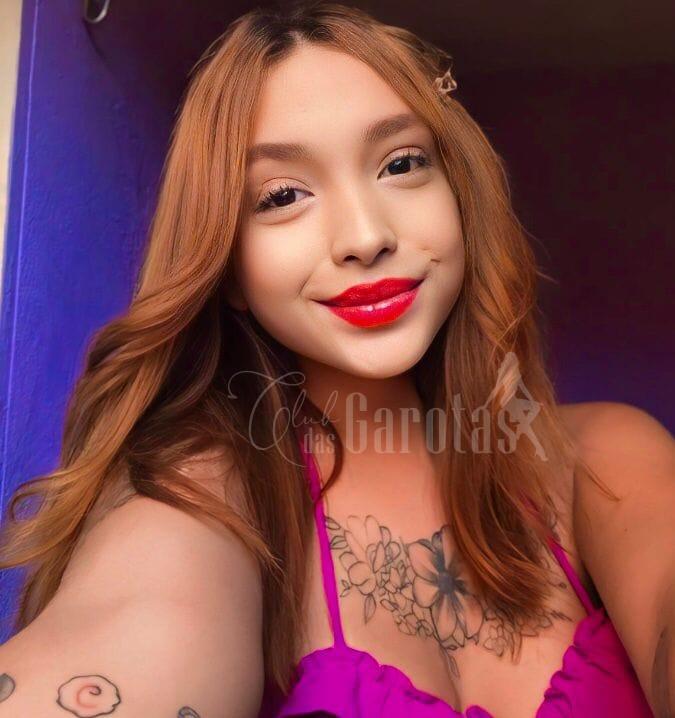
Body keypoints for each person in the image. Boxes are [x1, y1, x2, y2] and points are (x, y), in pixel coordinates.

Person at [0, 2, 673, 716]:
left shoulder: (601, 458)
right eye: (282, 196)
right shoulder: (201, 499)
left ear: (459, 193)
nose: (364, 236)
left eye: (401, 163)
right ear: (226, 266)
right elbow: (128, 631)